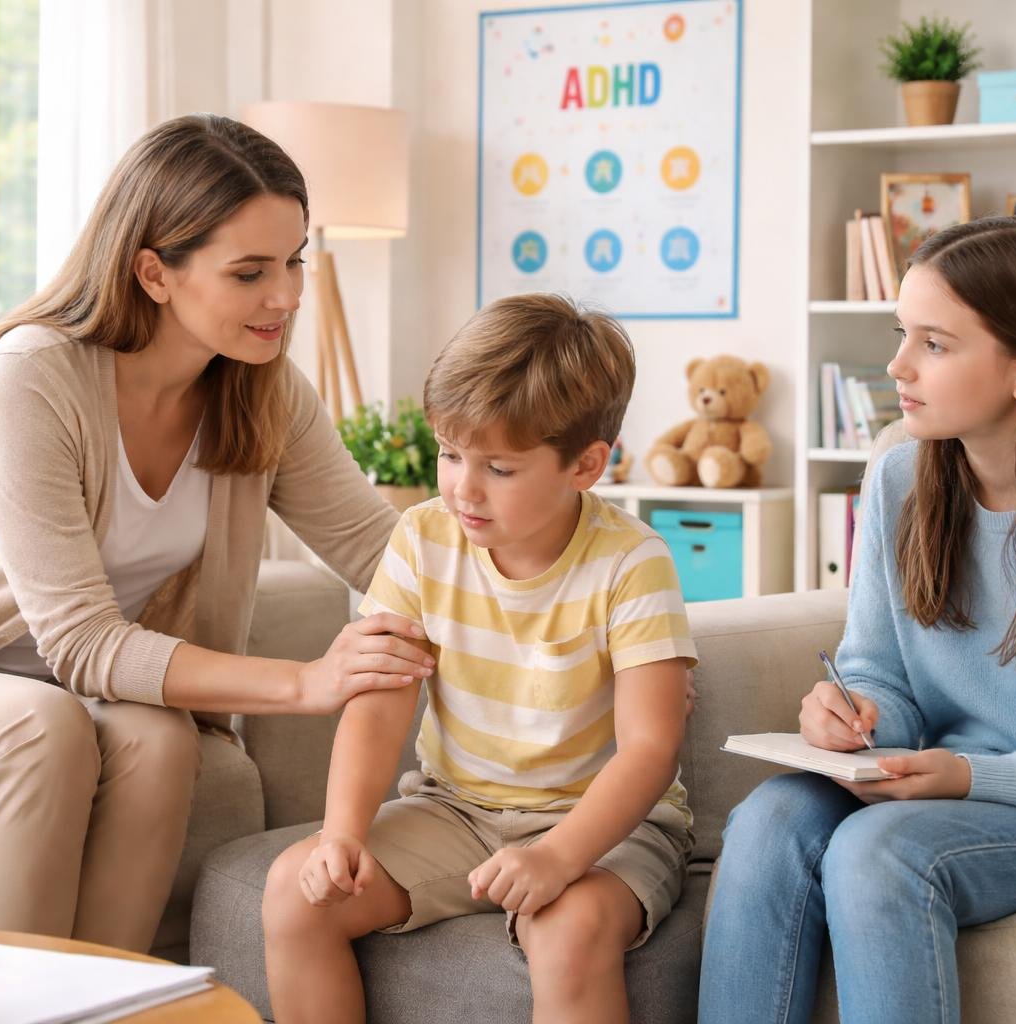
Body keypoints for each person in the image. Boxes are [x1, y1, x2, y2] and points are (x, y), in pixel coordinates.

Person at [0, 114, 429, 953]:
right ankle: (8, 1009)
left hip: (62, 690)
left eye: (294, 260)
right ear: (154, 272)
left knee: (162, 741)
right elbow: (83, 643)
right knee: (39, 730)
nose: (287, 296)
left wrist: (555, 587)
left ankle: (105, 998)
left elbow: (383, 552)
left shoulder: (263, 390)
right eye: (249, 272)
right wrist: (307, 682)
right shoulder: (33, 376)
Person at [698, 216, 1016, 1024]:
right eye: (901, 334)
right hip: (956, 789)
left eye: (935, 344)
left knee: (880, 852)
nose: (898, 366)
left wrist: (969, 775)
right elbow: (878, 669)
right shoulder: (899, 480)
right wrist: (859, 713)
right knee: (770, 819)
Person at [261, 293, 698, 1024]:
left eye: (498, 467)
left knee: (568, 930)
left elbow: (651, 747)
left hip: (602, 824)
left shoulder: (633, 561)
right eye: (450, 453)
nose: (463, 487)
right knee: (294, 891)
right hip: (453, 809)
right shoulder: (421, 538)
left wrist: (558, 857)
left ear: (586, 465)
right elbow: (379, 705)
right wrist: (341, 831)